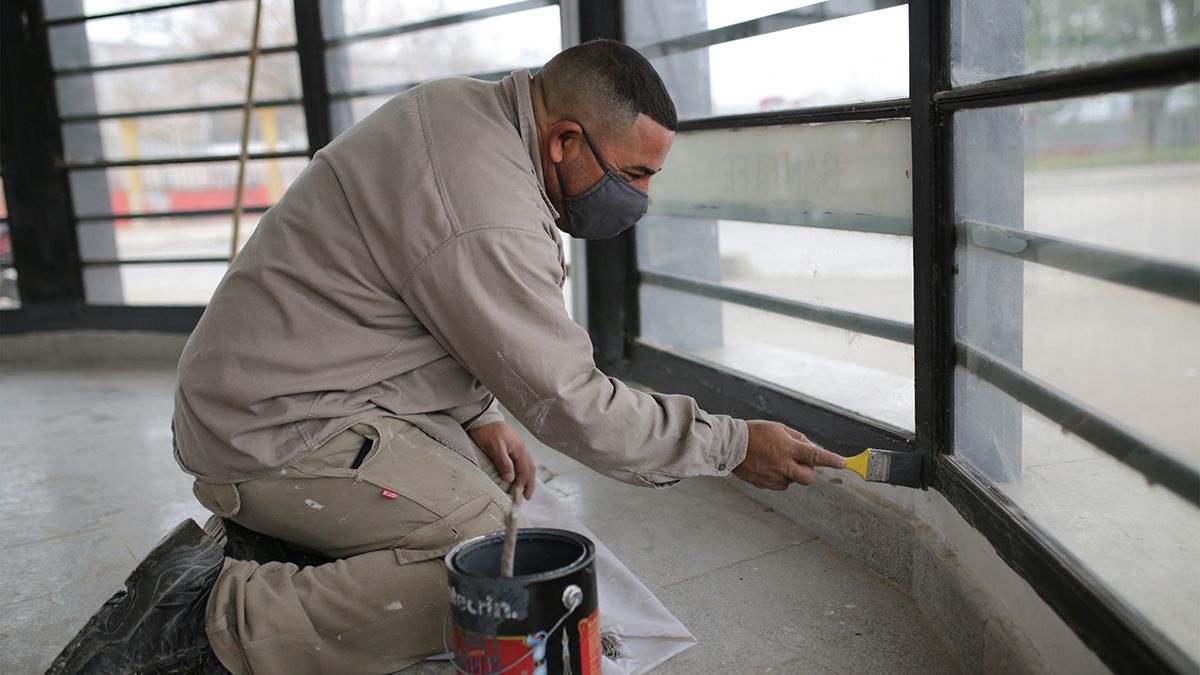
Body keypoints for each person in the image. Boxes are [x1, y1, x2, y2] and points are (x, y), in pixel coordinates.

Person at [50, 39, 846, 675]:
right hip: (272, 430)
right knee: (494, 568)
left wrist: (476, 413)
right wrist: (731, 443)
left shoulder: (470, 113)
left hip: (283, 388)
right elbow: (575, 403)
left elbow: (417, 299)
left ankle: (290, 544)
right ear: (566, 139)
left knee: (492, 489)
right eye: (633, 173)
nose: (639, 196)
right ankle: (214, 616)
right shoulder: (488, 211)